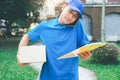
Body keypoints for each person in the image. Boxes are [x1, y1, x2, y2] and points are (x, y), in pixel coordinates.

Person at [17, 0, 92, 80]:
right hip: (48, 77)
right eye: (70, 11)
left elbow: (84, 44)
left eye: (75, 16)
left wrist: (85, 52)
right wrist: (20, 54)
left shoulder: (77, 26)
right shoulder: (44, 27)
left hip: (70, 77)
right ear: (64, 7)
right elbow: (26, 37)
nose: (71, 17)